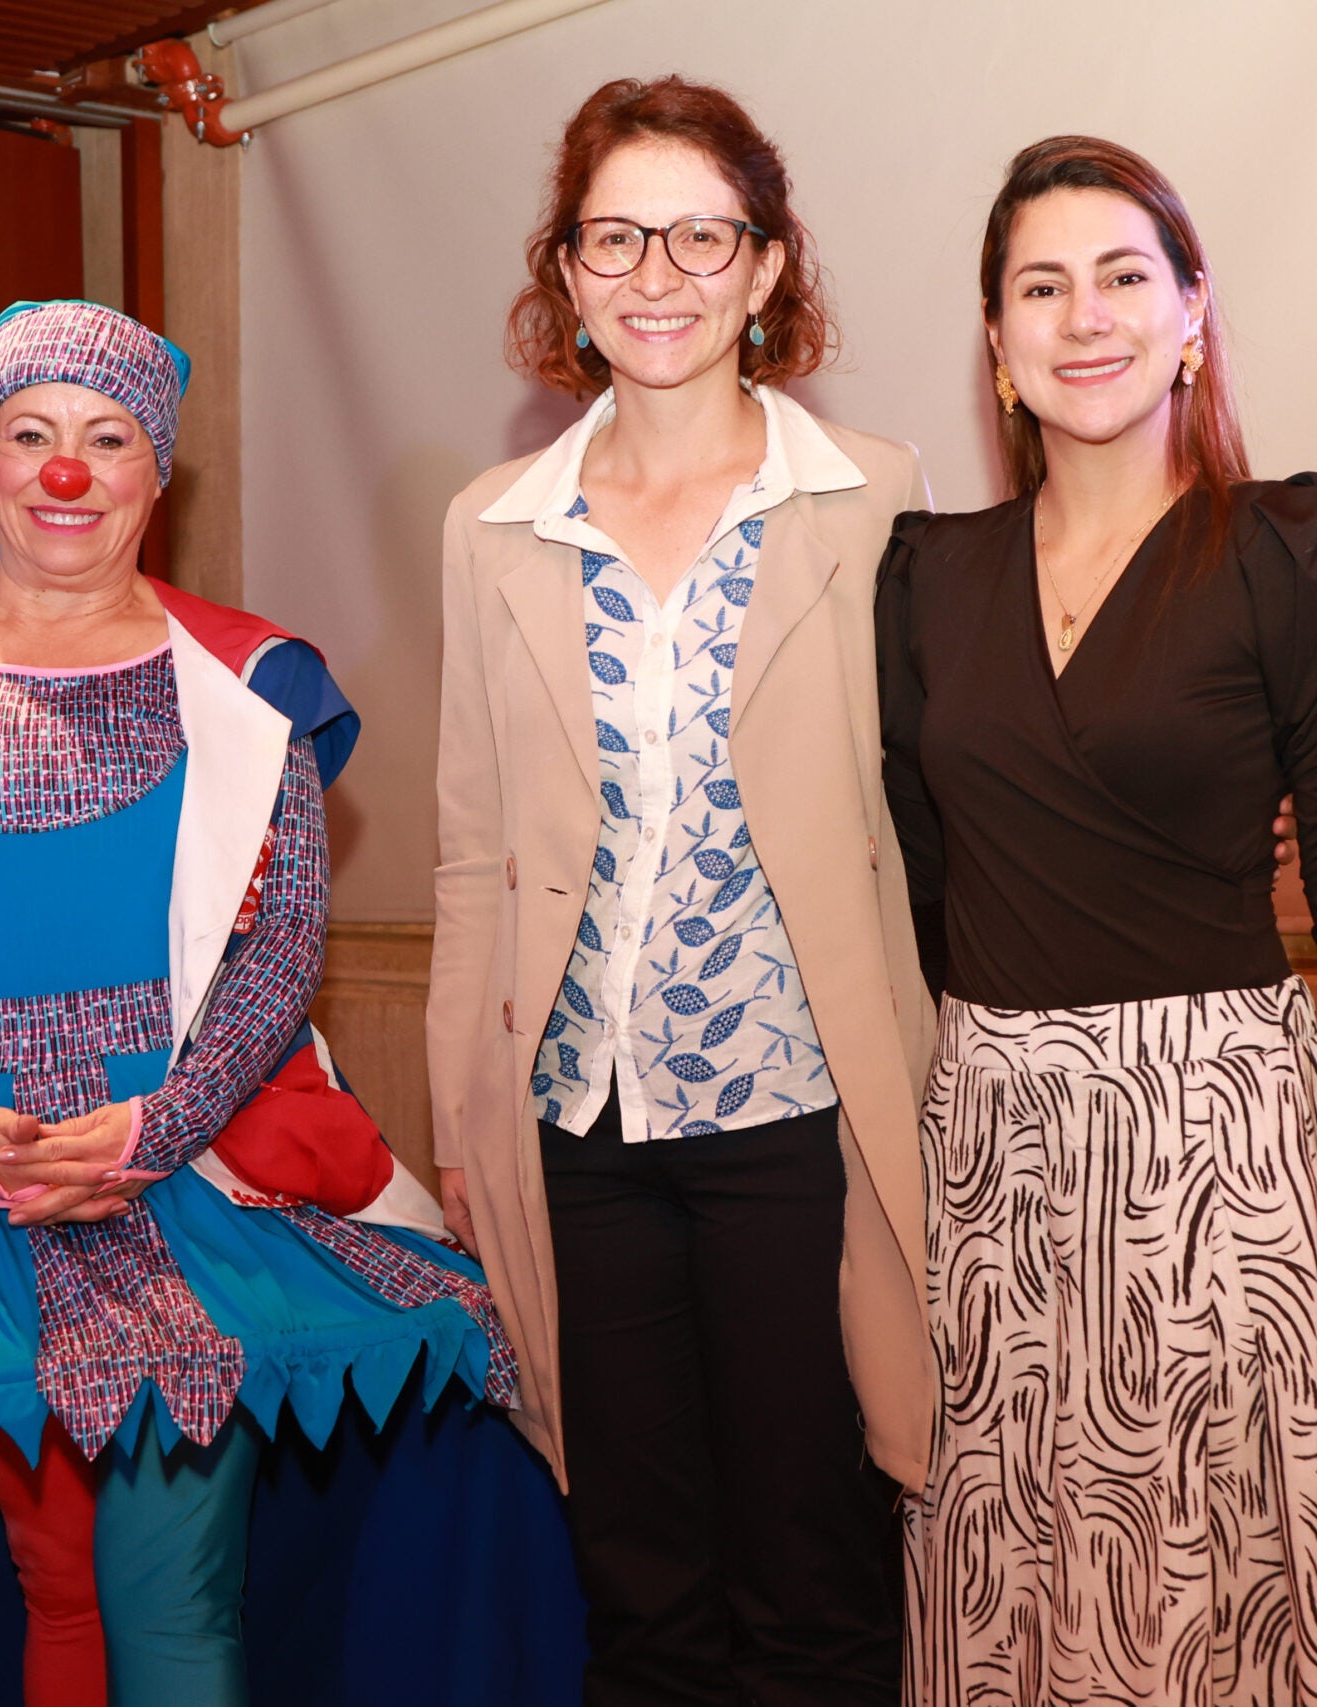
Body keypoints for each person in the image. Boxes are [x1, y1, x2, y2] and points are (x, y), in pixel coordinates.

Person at [0, 299, 516, 1707]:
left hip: (196, 1173)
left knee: (171, 1590)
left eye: (107, 436)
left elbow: (283, 940)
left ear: (158, 471)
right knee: (57, 1584)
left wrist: (156, 1126)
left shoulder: (253, 680)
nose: (64, 470)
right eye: (30, 434)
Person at [882, 136, 1317, 1704]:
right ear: (997, 341)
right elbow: (921, 882)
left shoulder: (1298, 552)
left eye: (1126, 275)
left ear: (1193, 312)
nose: (1087, 315)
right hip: (989, 1155)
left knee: (1224, 1593)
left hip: (1220, 1150)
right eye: (1041, 286)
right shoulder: (922, 579)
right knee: (1013, 1582)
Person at [430, 76, 937, 1706]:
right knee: (637, 1590)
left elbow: (933, 806)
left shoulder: (870, 497)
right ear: (566, 272)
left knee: (813, 1574)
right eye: (617, 237)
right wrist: (461, 1115)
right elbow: (469, 843)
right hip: (578, 1126)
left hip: (800, 1118)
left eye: (701, 237)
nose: (658, 275)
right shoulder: (492, 527)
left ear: (767, 266)